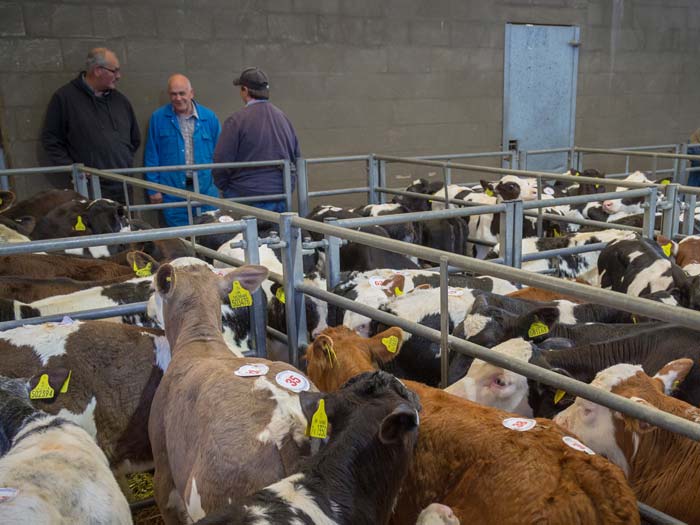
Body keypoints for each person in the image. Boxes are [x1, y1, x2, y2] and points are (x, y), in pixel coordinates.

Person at [41, 47, 140, 203]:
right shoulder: (65, 98)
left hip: (123, 185)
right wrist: (73, 170)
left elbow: (134, 139)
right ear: (98, 70)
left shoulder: (121, 101)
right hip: (90, 188)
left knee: (126, 226)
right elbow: (51, 139)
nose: (118, 76)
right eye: (114, 71)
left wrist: (123, 159)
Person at [213, 67, 300, 212]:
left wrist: (225, 187)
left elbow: (221, 160)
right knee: (278, 233)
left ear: (245, 90)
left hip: (245, 196)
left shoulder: (236, 120)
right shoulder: (283, 118)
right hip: (279, 195)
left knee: (247, 234)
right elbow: (296, 158)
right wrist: (287, 186)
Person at [144, 74, 221, 226]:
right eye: (173, 94)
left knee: (210, 237)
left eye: (182, 93)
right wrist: (153, 189)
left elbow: (220, 153)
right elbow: (152, 154)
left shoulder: (209, 117)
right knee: (181, 240)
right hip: (173, 193)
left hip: (206, 191)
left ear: (191, 93)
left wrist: (221, 185)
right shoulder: (158, 118)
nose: (178, 98)